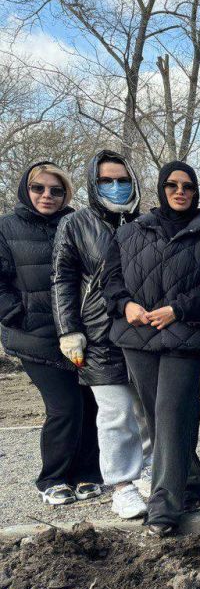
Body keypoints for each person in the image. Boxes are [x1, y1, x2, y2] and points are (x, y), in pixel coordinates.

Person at [103, 161, 200, 537]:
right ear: (161, 189)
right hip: (137, 337)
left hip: (185, 337)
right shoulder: (129, 233)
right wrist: (125, 305)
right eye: (173, 185)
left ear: (196, 192)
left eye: (188, 186)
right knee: (158, 420)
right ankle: (192, 483)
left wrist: (178, 309)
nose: (181, 191)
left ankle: (164, 509)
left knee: (172, 413)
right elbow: (109, 281)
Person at [51, 150, 148, 518]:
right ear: (93, 183)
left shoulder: (144, 220)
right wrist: (68, 330)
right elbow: (62, 277)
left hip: (140, 332)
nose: (116, 186)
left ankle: (150, 474)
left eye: (122, 179)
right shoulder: (75, 224)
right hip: (96, 335)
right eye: (107, 180)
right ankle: (122, 484)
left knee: (146, 409)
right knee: (115, 412)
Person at [0, 161, 101, 506]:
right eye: (38, 188)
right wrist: (18, 316)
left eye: (56, 190)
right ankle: (53, 478)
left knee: (91, 405)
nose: (47, 196)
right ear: (25, 190)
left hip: (81, 332)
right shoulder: (6, 228)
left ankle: (88, 473)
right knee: (65, 407)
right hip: (36, 336)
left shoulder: (78, 223)